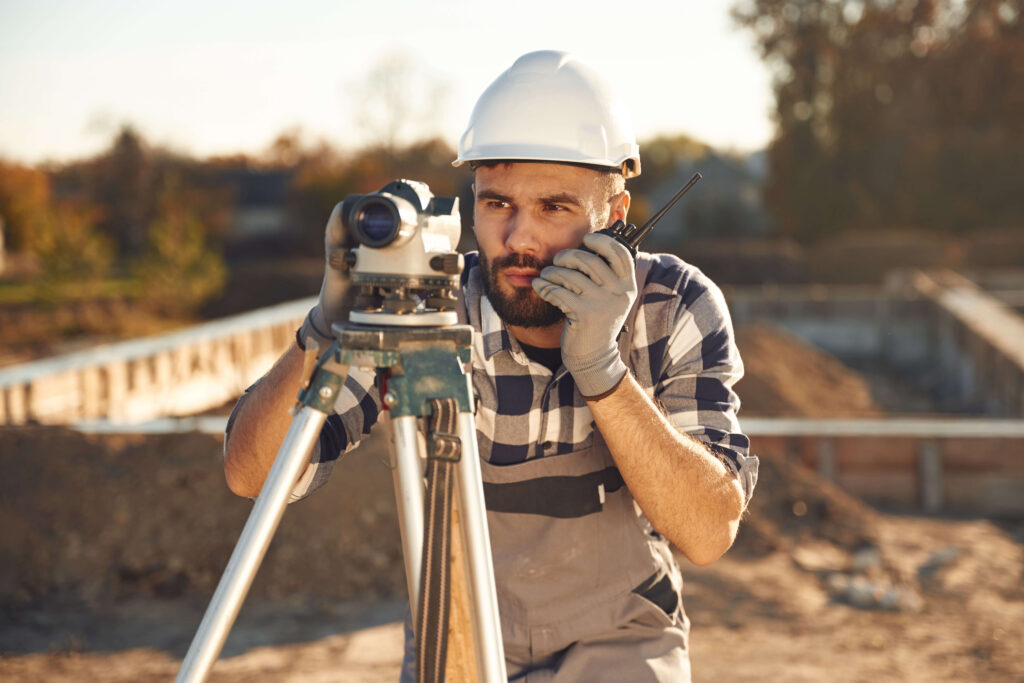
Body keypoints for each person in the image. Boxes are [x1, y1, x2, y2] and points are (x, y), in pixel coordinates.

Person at [223, 50, 758, 682]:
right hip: (455, 638)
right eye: (497, 204)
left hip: (621, 646)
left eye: (554, 208)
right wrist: (324, 330)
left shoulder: (674, 306)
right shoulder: (424, 312)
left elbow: (708, 531)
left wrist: (602, 370)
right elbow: (252, 476)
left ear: (615, 218)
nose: (519, 239)